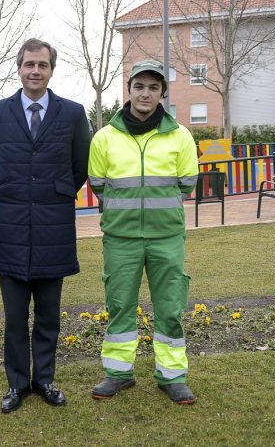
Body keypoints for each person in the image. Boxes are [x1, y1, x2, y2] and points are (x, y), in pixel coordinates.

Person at [0, 38, 91, 413]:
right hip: (10, 230)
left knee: (48, 316)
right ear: (19, 68)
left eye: (42, 65)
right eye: (29, 64)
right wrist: (15, 194)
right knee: (13, 319)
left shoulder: (73, 114)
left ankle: (44, 380)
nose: (35, 71)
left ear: (51, 70)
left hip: (53, 230)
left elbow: (79, 167)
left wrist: (48, 196)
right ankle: (16, 385)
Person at [88, 60, 199, 405]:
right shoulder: (104, 137)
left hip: (166, 238)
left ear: (162, 92)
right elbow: (98, 184)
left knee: (169, 307)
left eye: (153, 87)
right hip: (121, 239)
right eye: (139, 86)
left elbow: (187, 185)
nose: (145, 93)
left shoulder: (181, 135)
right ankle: (119, 373)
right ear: (129, 90)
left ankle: (172, 376)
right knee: (120, 305)